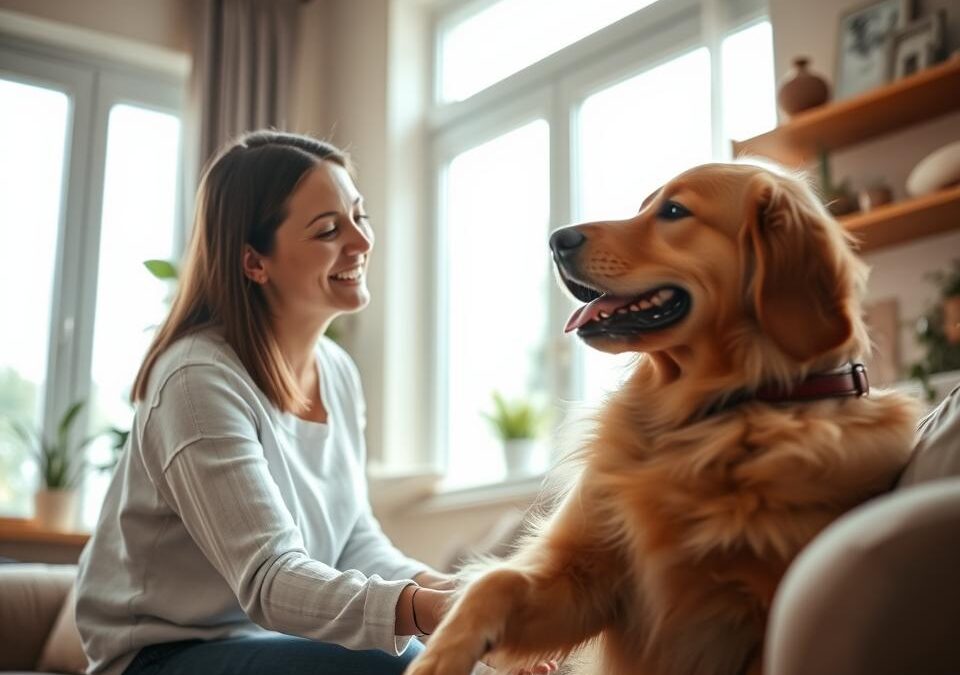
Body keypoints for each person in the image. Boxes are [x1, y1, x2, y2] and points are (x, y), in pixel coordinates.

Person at [75, 130, 456, 675]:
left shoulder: (339, 373)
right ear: (255, 262)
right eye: (329, 229)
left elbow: (353, 540)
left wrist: (454, 595)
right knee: (389, 663)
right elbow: (270, 578)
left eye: (359, 216)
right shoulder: (195, 379)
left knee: (449, 659)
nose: (361, 241)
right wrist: (424, 613)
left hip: (265, 644)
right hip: (158, 656)